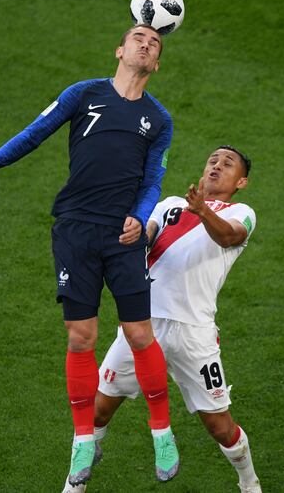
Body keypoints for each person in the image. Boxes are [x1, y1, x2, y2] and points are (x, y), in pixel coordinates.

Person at [0, 25, 180, 487]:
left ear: (156, 64)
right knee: (80, 336)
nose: (146, 43)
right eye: (138, 36)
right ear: (119, 49)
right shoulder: (83, 94)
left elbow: (153, 179)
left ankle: (162, 431)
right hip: (75, 229)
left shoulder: (159, 119)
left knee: (138, 332)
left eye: (154, 43)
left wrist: (139, 215)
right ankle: (82, 443)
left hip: (123, 234)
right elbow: (33, 134)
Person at [63, 146, 262, 493]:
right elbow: (145, 237)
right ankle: (74, 486)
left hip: (194, 334)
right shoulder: (170, 204)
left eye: (228, 164)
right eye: (212, 159)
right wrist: (126, 233)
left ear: (241, 181)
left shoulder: (242, 212)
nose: (217, 165)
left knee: (219, 426)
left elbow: (229, 236)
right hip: (142, 326)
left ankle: (249, 482)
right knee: (96, 410)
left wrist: (201, 211)